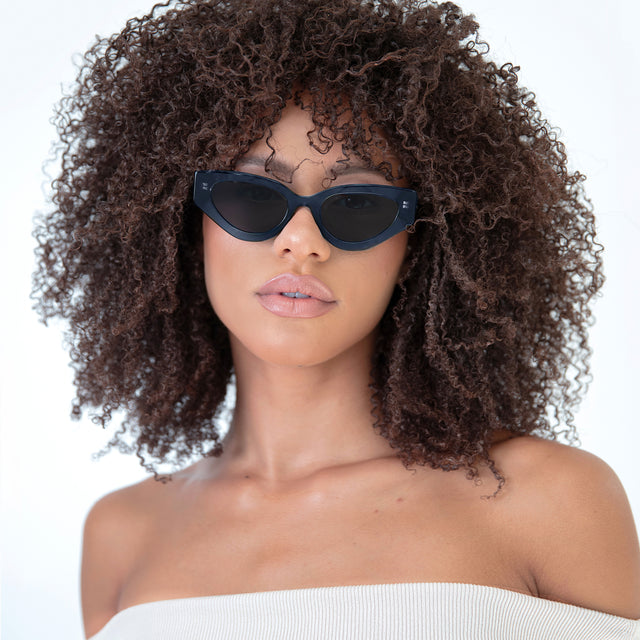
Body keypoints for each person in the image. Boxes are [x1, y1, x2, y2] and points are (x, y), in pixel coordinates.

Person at [32, 0, 640, 638]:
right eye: (251, 195)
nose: (302, 241)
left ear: (422, 244)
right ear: (186, 228)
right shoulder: (123, 535)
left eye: (355, 204)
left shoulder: (552, 502)